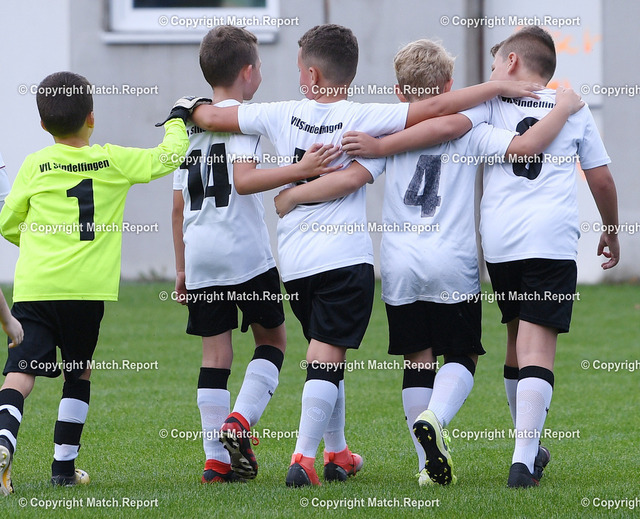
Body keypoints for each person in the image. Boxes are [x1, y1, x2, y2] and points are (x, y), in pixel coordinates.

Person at [187, 24, 542, 487]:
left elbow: (217, 117)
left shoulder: (292, 114)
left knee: (367, 355)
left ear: (311, 74)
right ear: (449, 85)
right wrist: (501, 89)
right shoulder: (377, 120)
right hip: (388, 258)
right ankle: (320, 452)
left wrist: (188, 109)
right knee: (437, 353)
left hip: (316, 261)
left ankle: (349, 454)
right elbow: (445, 118)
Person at [276, 39, 583, 486]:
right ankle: (435, 417)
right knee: (461, 353)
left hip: (399, 264)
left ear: (399, 92)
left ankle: (426, 467)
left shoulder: (385, 133)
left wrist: (292, 195)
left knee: (417, 359)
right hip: (451, 261)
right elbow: (522, 146)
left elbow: (350, 179)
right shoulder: (471, 126)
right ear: (450, 85)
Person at [0, 71, 190, 495]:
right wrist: (178, 118)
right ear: (91, 117)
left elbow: (7, 222)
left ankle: (2, 441)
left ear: (43, 124)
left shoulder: (34, 165)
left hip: (36, 286)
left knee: (20, 373)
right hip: (86, 292)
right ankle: (63, 469)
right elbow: (168, 157)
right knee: (79, 372)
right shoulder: (113, 160)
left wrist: (35, 242)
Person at [171, 26, 340, 484]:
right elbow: (244, 181)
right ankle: (240, 420)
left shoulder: (186, 124)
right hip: (244, 254)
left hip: (201, 255)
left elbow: (177, 206)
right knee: (273, 341)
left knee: (215, 356)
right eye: (260, 66)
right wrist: (299, 169)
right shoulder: (243, 119)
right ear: (247, 72)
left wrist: (182, 268)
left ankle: (215, 461)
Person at [477, 26, 619, 487]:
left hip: (500, 243)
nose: (492, 74)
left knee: (516, 336)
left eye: (495, 64)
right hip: (550, 241)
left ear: (512, 61)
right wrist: (611, 230)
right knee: (537, 347)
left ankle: (529, 447)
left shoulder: (488, 103)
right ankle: (523, 461)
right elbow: (600, 179)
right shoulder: (571, 106)